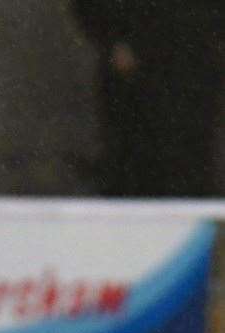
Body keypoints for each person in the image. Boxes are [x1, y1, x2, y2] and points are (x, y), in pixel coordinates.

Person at [71, 0, 223, 197]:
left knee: (189, 153)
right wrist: (113, 41)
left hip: (192, 63)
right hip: (133, 71)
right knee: (133, 155)